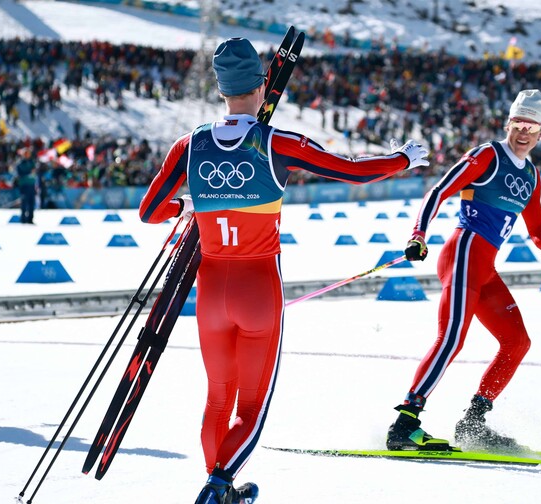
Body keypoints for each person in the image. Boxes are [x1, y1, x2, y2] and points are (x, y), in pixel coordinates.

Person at [138, 37, 429, 504]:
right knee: (252, 407)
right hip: (258, 289)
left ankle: (224, 488)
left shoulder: (189, 145)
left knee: (218, 399)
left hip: (210, 291)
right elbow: (350, 171)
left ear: (221, 90)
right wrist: (402, 159)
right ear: (262, 86)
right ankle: (215, 488)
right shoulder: (279, 142)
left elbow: (149, 210)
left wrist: (187, 204)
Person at [386, 89, 541, 452]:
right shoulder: (488, 155)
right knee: (452, 338)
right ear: (508, 123)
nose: (523, 132)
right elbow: (439, 190)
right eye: (518, 123)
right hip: (464, 254)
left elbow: (536, 229)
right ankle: (405, 423)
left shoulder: (532, 176)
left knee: (517, 342)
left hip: (485, 268)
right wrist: (418, 234)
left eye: (531, 127)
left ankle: (473, 423)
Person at [14, 149, 37, 224]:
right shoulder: (20, 163)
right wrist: (29, 171)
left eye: (28, 153)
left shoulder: (32, 162)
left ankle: (30, 219)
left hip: (32, 185)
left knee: (32, 203)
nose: (27, 155)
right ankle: (23, 219)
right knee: (24, 203)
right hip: (24, 186)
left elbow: (35, 171)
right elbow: (20, 172)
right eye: (26, 154)